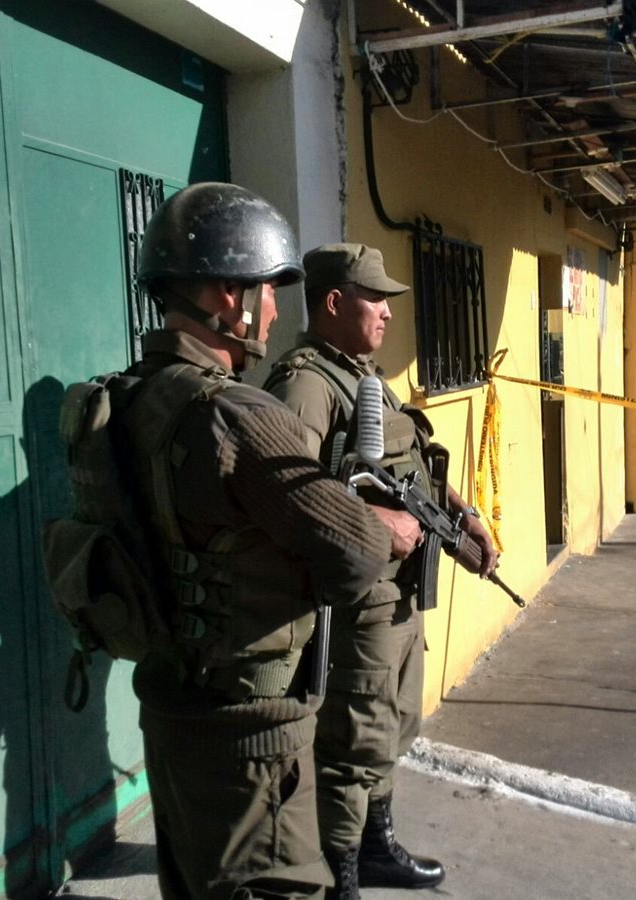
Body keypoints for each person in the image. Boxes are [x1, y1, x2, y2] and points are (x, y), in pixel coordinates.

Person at [123, 185, 408, 900]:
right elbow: (354, 553)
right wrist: (392, 528)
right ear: (229, 295)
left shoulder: (123, 400)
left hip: (169, 712)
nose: (277, 309)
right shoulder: (240, 415)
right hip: (249, 734)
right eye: (268, 291)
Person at [264, 243, 498, 900]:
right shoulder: (307, 384)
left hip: (396, 598)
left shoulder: (364, 377)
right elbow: (291, 497)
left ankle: (376, 846)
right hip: (357, 600)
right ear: (335, 303)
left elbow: (408, 473)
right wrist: (375, 529)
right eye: (376, 299)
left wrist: (463, 518)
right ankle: (341, 878)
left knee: (392, 724)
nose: (389, 314)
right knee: (352, 739)